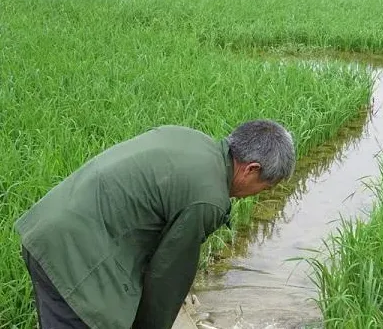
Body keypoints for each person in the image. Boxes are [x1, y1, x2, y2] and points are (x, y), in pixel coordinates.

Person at [14, 119, 296, 329]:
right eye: (265, 187)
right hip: (73, 258)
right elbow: (166, 279)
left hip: (49, 230)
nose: (258, 194)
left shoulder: (192, 140)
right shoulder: (208, 199)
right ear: (251, 169)